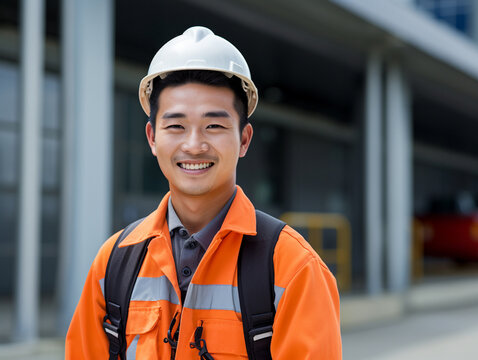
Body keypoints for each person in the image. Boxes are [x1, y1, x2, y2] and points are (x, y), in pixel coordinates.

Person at [66, 26, 342, 359]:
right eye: (176, 126)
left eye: (214, 125)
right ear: (152, 137)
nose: (194, 145)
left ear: (244, 139)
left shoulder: (293, 268)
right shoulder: (113, 262)